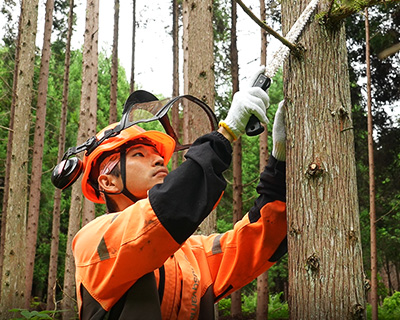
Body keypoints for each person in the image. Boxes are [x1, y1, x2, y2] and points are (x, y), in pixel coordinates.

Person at [72, 67, 287, 319]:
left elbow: (259, 238)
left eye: (159, 156)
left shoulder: (193, 254)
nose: (159, 161)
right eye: (139, 154)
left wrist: (280, 165)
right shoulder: (92, 241)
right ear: (108, 182)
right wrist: (225, 134)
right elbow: (163, 213)